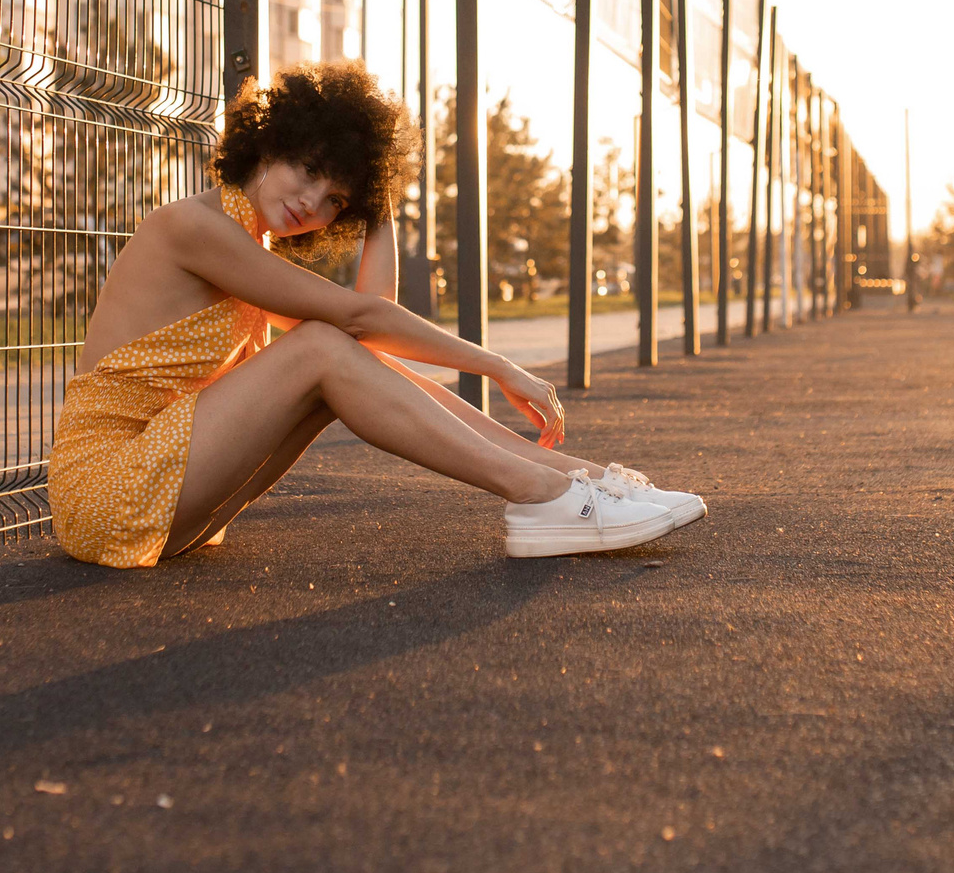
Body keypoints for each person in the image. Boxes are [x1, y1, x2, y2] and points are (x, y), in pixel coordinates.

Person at [50, 61, 705, 567]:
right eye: (308, 170)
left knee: (332, 348)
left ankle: (581, 480)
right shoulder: (191, 228)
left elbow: (371, 329)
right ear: (268, 145)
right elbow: (362, 318)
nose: (313, 202)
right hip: (107, 488)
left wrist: (376, 198)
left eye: (335, 199)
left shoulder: (249, 248)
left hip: (172, 496)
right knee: (321, 345)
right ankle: (541, 496)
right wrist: (499, 366)